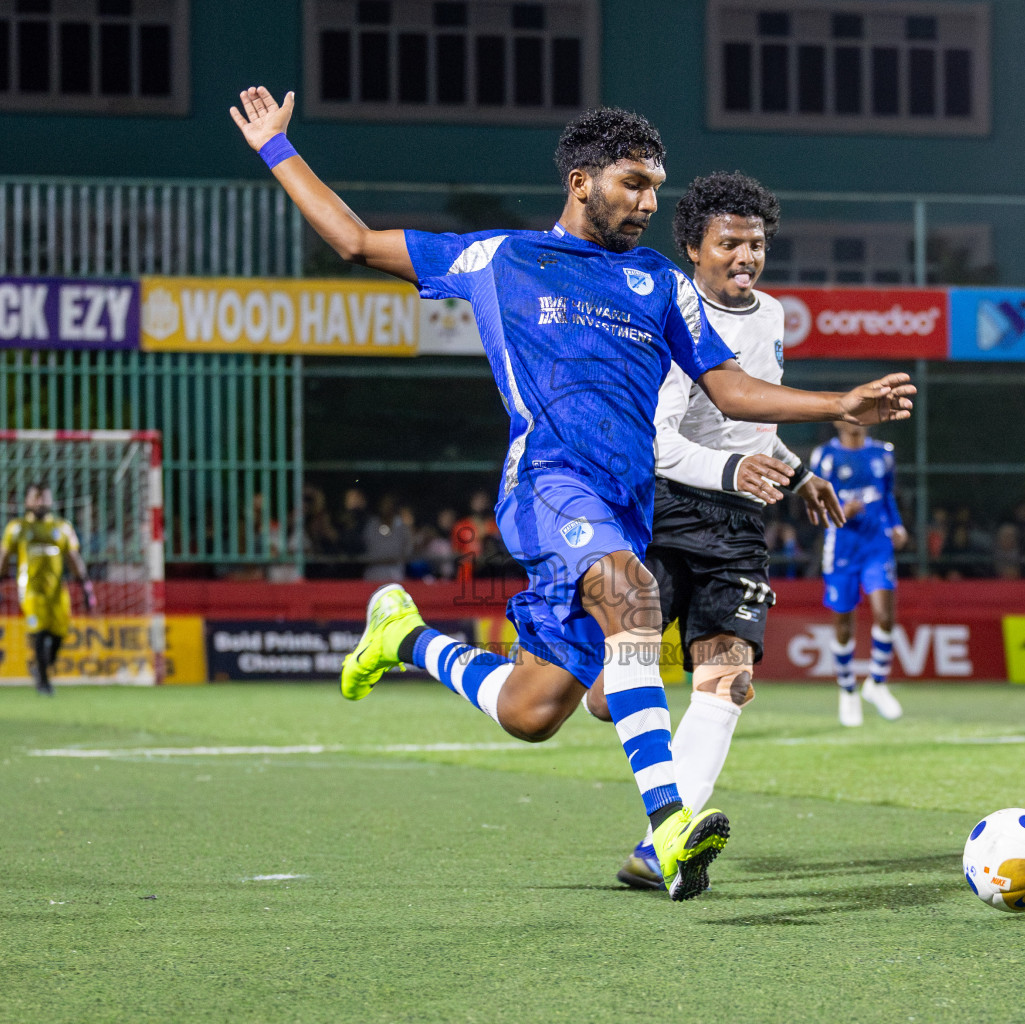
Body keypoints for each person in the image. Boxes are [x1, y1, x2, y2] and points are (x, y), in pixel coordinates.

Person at [231, 90, 914, 900]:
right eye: (633, 183)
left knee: (532, 711)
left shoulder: (659, 281)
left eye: (656, 187)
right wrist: (277, 148)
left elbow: (729, 389)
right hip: (549, 487)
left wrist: (835, 405)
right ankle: (669, 824)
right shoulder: (503, 259)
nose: (649, 202)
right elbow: (351, 242)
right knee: (632, 592)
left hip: (625, 507)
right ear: (582, 180)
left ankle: (404, 635)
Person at [584, 171, 846, 890]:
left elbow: (752, 424)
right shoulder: (671, 311)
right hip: (664, 509)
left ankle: (656, 848)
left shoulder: (772, 315)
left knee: (727, 678)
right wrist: (734, 473)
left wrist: (795, 474)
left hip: (735, 525)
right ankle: (591, 680)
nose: (746, 256)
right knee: (611, 693)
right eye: (729, 243)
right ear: (694, 249)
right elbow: (657, 443)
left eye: (756, 243)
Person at [810, 422, 909, 726]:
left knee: (886, 616)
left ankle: (877, 683)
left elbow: (887, 494)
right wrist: (841, 508)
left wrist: (897, 525)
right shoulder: (825, 456)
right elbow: (814, 508)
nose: (857, 420)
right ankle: (847, 689)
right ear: (838, 420)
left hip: (876, 545)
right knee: (843, 624)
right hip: (841, 548)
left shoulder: (883, 453)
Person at [0, 483, 96, 697]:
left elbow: (74, 559)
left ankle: (42, 668)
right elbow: (3, 558)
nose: (40, 502)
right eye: (36, 497)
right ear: (27, 501)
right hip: (29, 590)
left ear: (51, 501)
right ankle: (44, 683)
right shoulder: (17, 528)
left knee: (59, 634)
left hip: (57, 592)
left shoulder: (62, 527)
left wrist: (86, 587)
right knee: (39, 633)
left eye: (44, 497)